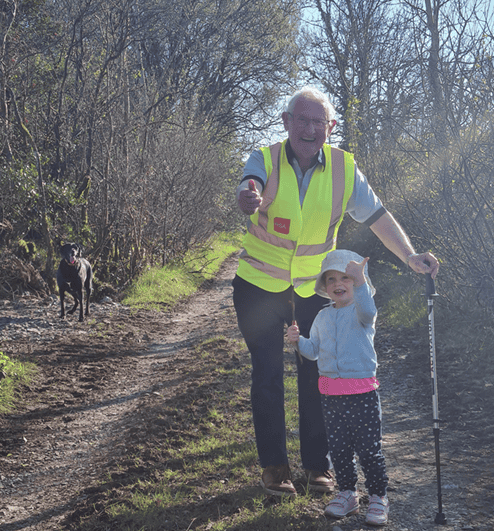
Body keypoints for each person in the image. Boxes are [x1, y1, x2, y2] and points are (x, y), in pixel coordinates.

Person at [233, 85, 439, 498]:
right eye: (301, 120)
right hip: (259, 286)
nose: (309, 129)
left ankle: (317, 467)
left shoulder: (345, 169)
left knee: (318, 374)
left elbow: (377, 216)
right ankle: (274, 468)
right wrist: (248, 196)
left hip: (314, 289)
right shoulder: (266, 157)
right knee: (269, 376)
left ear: (330, 127)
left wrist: (410, 256)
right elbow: (248, 185)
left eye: (318, 122)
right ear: (287, 122)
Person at [287, 250, 388, 525]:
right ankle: (347, 493)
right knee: (339, 448)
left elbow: (369, 309)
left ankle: (378, 497)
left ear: (356, 281)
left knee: (368, 449)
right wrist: (298, 341)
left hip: (362, 392)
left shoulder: (362, 310)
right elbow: (313, 352)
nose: (337, 283)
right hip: (331, 394)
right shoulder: (322, 317)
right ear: (326, 287)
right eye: (331, 279)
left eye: (345, 277)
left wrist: (360, 281)